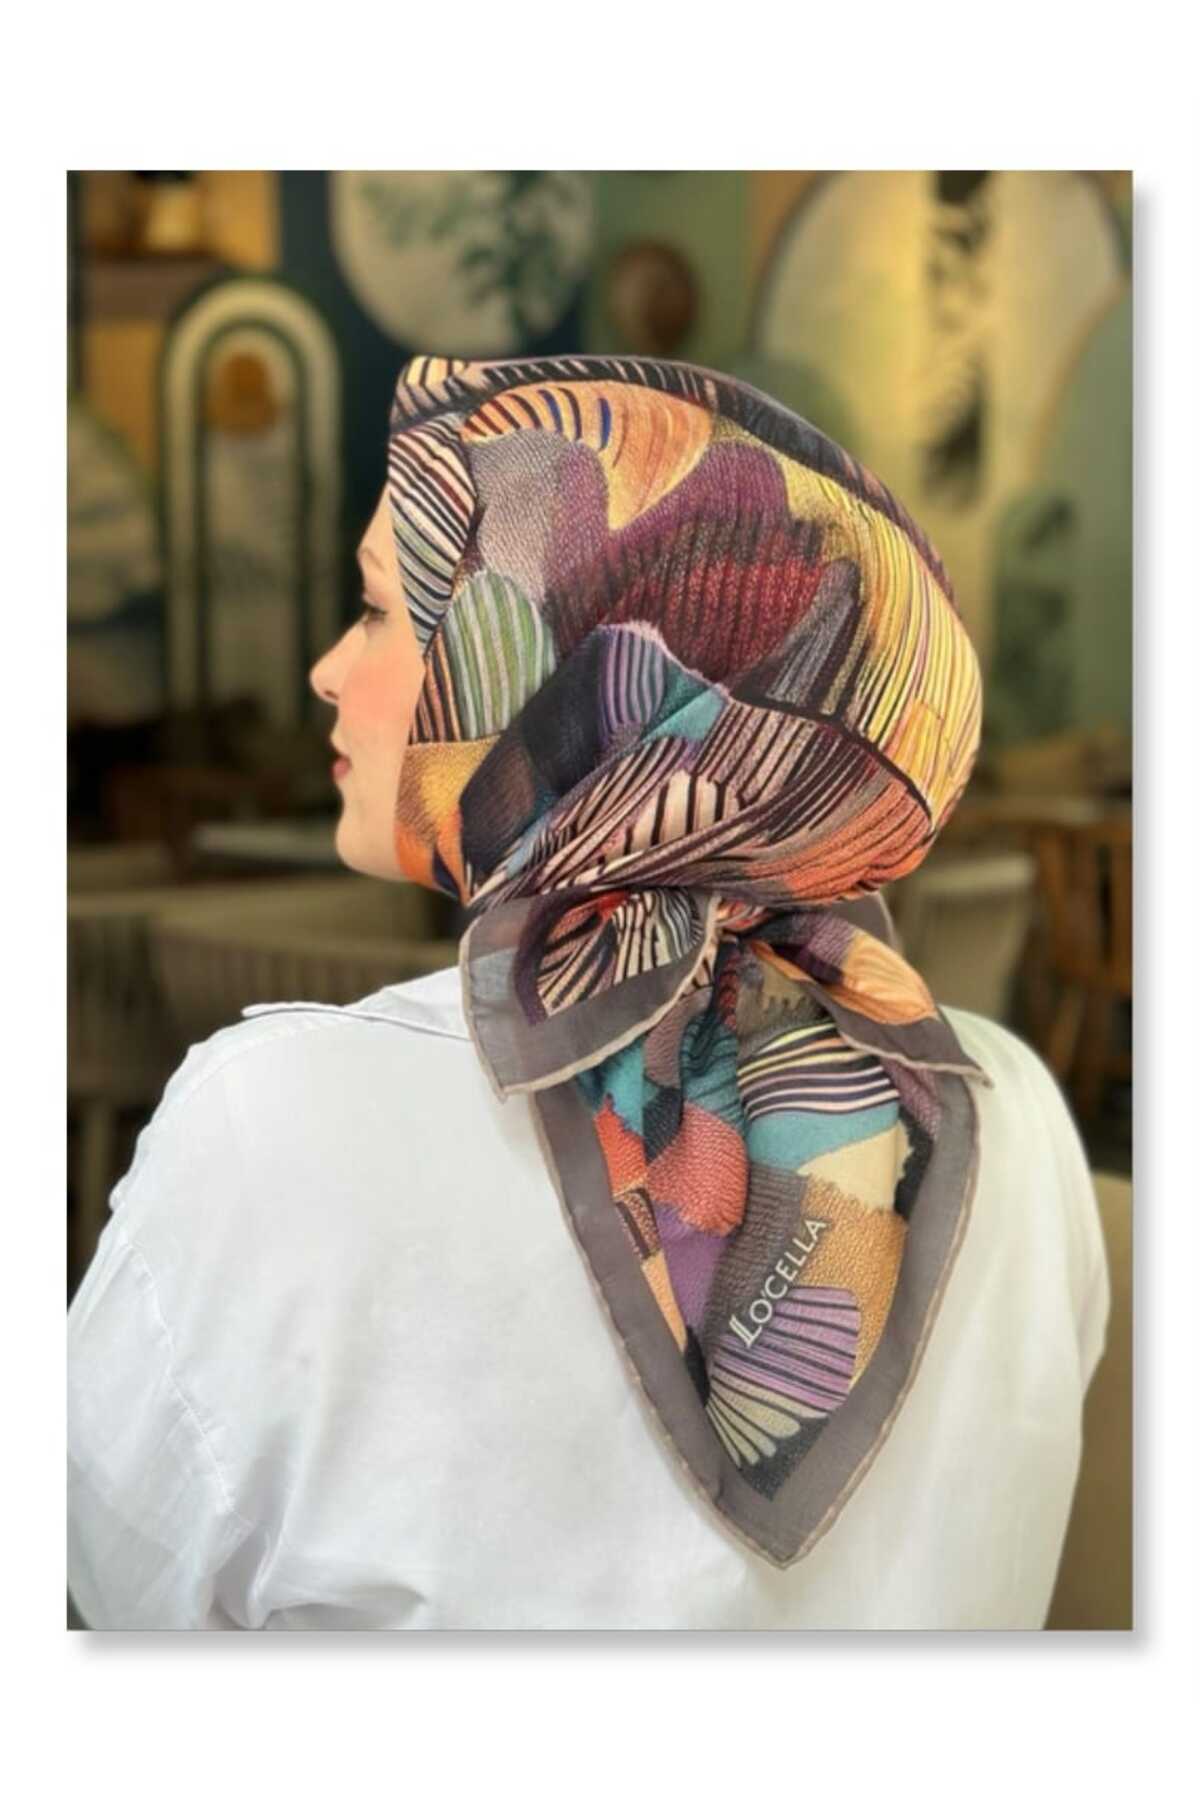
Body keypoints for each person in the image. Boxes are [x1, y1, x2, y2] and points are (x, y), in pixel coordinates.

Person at [67, 354, 1109, 1629]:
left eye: (380, 612)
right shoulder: (1008, 1107)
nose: (329, 670)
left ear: (543, 673)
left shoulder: (274, 1122)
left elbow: (107, 1605)